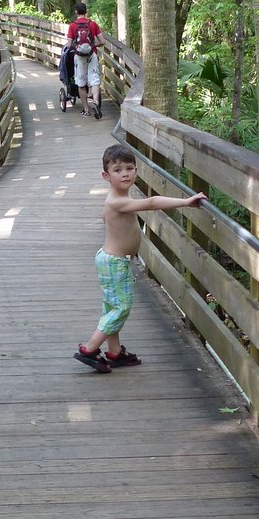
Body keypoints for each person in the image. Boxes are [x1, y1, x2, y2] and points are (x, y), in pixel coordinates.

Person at [75, 143, 207, 373]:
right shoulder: (118, 201)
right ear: (106, 176)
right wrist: (186, 202)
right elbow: (152, 203)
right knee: (121, 308)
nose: (125, 173)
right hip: (114, 263)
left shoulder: (116, 199)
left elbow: (105, 217)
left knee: (112, 307)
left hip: (110, 260)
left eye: (129, 168)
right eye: (118, 170)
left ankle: (115, 353)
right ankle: (90, 348)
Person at [65, 2, 102, 118]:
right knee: (94, 80)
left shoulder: (72, 26)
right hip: (92, 55)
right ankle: (95, 102)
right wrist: (92, 45)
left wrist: (76, 48)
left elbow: (69, 44)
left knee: (81, 83)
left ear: (76, 12)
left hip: (79, 57)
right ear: (86, 12)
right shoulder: (93, 24)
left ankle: (86, 110)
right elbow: (102, 42)